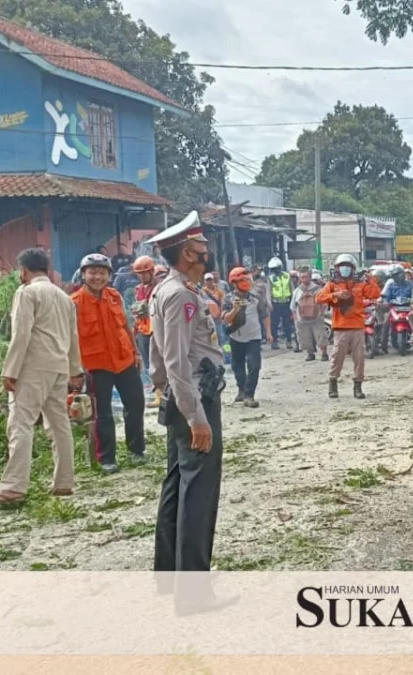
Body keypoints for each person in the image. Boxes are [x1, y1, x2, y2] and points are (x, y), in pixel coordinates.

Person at [146, 211, 230, 593]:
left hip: (181, 396)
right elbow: (178, 359)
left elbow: (158, 354)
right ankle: (194, 592)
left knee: (177, 487)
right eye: (201, 246)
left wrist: (162, 388)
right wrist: (196, 416)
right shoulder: (181, 294)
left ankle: (168, 580)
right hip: (194, 398)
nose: (207, 251)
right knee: (197, 494)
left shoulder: (167, 289)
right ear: (187, 255)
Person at [0, 248, 83, 504]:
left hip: (34, 367)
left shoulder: (27, 292)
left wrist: (10, 371)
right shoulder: (65, 298)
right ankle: (64, 481)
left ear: (23, 271)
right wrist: (75, 370)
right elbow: (73, 338)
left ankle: (14, 486)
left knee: (20, 423)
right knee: (59, 424)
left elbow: (21, 334)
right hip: (59, 367)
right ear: (47, 270)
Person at [71, 253, 148, 473]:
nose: (98, 277)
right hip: (96, 366)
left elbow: (126, 326)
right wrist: (75, 369)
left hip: (124, 361)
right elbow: (71, 338)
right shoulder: (74, 303)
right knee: (102, 413)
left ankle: (136, 450)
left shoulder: (115, 296)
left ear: (109, 275)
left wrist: (137, 354)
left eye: (102, 272)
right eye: (92, 272)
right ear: (83, 274)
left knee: (136, 405)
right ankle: (107, 458)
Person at [316, 254, 380, 399]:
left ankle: (358, 386)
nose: (345, 269)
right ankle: (333, 382)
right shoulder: (332, 284)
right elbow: (319, 298)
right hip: (340, 327)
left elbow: (374, 294)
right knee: (337, 357)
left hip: (357, 326)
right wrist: (336, 295)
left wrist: (370, 279)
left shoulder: (360, 284)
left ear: (353, 269)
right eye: (342, 266)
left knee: (359, 359)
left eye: (348, 266)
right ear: (337, 268)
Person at [222, 267, 265, 407]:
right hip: (236, 337)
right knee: (237, 365)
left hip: (254, 336)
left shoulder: (255, 298)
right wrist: (235, 309)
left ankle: (249, 395)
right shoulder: (228, 299)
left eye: (247, 280)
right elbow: (226, 320)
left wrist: (269, 333)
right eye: (242, 280)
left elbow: (265, 315)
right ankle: (241, 389)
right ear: (234, 283)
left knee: (254, 365)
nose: (246, 283)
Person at [132, 256, 162, 408]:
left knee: (162, 363)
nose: (142, 276)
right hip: (144, 330)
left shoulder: (159, 288)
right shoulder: (138, 290)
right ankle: (159, 395)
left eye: (144, 273)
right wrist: (134, 330)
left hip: (157, 330)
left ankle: (167, 393)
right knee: (151, 365)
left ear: (151, 271)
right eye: (139, 273)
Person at [292, 270, 328, 362]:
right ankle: (310, 354)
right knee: (305, 337)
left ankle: (324, 353)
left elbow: (324, 303)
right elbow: (293, 306)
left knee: (320, 336)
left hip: (316, 317)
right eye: (302, 277)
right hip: (302, 319)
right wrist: (296, 317)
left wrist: (321, 313)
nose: (304, 279)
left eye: (306, 277)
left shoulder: (318, 289)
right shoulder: (297, 291)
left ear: (310, 277)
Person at [266, 257, 294, 350]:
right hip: (276, 303)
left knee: (287, 323)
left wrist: (293, 302)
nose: (275, 270)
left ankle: (289, 340)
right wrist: (269, 303)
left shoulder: (287, 276)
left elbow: (292, 288)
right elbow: (268, 291)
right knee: (274, 324)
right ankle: (275, 342)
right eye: (273, 269)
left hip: (286, 302)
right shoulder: (271, 278)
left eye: (276, 268)